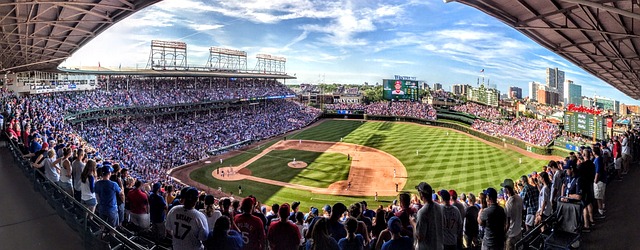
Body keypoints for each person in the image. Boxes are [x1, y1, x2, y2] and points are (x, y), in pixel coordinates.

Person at [414, 182, 444, 250]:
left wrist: (413, 223)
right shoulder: (439, 207)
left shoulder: (422, 212)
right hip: (439, 246)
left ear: (421, 194)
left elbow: (420, 236)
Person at [502, 179, 522, 250]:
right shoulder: (519, 198)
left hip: (511, 235)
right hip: (519, 231)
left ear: (507, 189)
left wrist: (504, 233)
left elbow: (507, 223)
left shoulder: (508, 203)